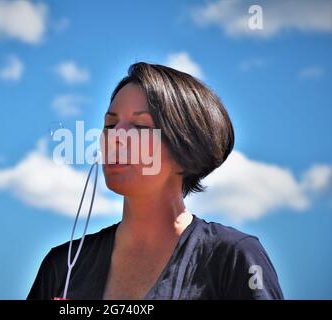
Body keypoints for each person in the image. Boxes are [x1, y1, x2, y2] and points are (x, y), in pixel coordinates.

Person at [27, 62, 284, 300]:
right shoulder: (62, 266)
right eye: (110, 124)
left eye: (139, 126)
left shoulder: (234, 257)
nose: (114, 137)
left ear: (186, 148)